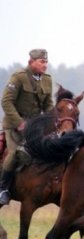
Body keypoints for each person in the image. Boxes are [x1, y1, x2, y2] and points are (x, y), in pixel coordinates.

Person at [0, 49, 53, 205]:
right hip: (14, 126)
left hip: (35, 126)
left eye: (46, 62)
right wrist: (19, 123)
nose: (45, 65)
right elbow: (6, 102)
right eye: (41, 62)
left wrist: (53, 121)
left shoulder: (47, 80)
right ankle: (3, 189)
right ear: (31, 62)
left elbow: (48, 104)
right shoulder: (19, 77)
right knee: (14, 154)